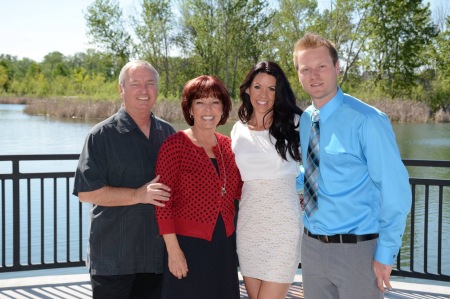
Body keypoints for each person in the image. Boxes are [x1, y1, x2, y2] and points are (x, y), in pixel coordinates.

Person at [292, 32, 412, 299]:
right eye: (305, 69)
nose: (314, 75)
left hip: (357, 251)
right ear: (299, 75)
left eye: (321, 66)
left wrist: (386, 252)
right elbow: (314, 171)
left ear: (336, 68)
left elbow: (396, 191)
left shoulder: (368, 120)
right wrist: (276, 178)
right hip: (311, 247)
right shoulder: (308, 119)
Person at [73, 60, 176, 299]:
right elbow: (86, 192)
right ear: (122, 89)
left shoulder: (169, 134)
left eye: (150, 83)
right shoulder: (101, 135)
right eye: (135, 84)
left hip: (157, 259)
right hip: (113, 259)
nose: (144, 90)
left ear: (157, 89)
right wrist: (138, 195)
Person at [154, 75, 242, 299]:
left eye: (215, 102)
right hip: (187, 247)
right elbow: (163, 203)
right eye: (200, 102)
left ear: (223, 108)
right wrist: (174, 253)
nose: (208, 109)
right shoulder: (174, 145)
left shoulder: (230, 147)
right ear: (190, 108)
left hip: (224, 247)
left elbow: (242, 191)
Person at [231, 61, 304, 299]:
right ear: (247, 90)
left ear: (278, 92)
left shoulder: (295, 124)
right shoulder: (238, 130)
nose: (264, 94)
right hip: (249, 226)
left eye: (271, 89)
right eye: (258, 86)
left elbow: (322, 166)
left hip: (283, 227)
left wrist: (308, 196)